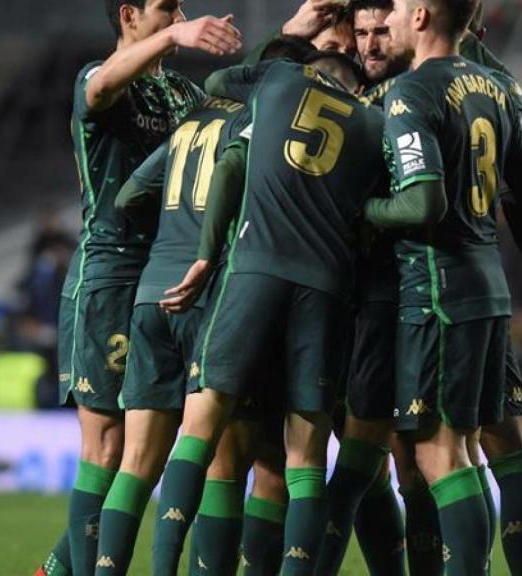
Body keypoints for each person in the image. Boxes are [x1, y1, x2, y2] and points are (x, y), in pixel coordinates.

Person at [365, 1, 522, 574]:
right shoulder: (499, 89)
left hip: (438, 290)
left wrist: (364, 209)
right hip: (488, 285)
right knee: (486, 450)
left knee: (439, 456)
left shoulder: (410, 94)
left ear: (421, 17)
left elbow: (423, 201)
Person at [152, 51, 386, 575]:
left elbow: (216, 80)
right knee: (305, 454)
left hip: (254, 272)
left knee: (203, 427)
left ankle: (165, 564)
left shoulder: (280, 78)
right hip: (324, 289)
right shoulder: (373, 125)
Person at [35, 2, 242, 575]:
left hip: (161, 278)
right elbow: (100, 89)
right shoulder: (96, 77)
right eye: (165, 7)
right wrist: (177, 33)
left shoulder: (179, 92)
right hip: (108, 277)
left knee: (145, 455)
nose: (179, 13)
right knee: (104, 451)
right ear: (129, 13)